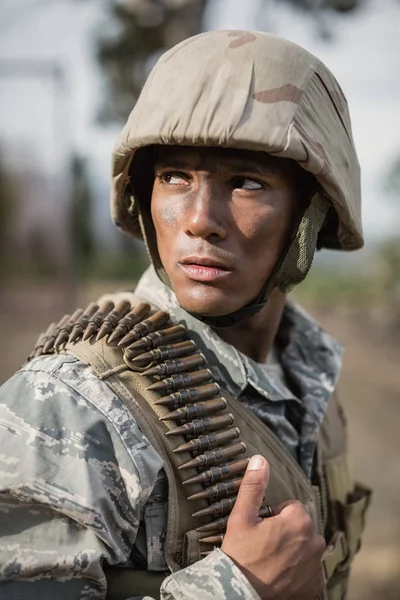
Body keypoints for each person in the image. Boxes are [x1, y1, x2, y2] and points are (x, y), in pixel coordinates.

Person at [0, 30, 371, 600]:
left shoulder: (308, 376)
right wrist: (236, 586)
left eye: (247, 182)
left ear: (311, 215)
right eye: (175, 176)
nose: (200, 219)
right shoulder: (72, 404)